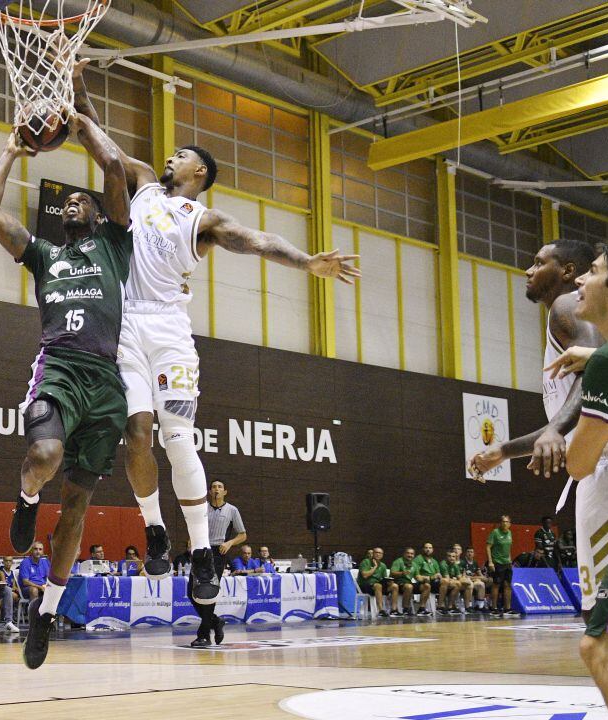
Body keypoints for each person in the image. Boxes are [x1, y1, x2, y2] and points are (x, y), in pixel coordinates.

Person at [71, 58, 359, 601]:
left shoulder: (202, 220)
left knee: (177, 440)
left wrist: (306, 262)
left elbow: (258, 240)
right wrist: (78, 83)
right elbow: (95, 135)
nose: (169, 156)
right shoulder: (141, 187)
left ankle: (202, 551)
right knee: (134, 433)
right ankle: (155, 528)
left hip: (170, 331)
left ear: (197, 173)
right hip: (125, 326)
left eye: (180, 154)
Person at [0, 113, 133, 670]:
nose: (71, 202)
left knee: (78, 506)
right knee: (45, 454)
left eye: (81, 201)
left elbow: (114, 165)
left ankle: (44, 612)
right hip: (62, 367)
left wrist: (82, 121)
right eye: (64, 201)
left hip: (107, 381)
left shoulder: (115, 245)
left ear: (98, 214)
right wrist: (10, 152)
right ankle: (25, 501)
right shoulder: (46, 255)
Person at [470, 241, 600, 508]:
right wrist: (503, 452)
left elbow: (594, 369)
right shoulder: (564, 317)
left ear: (568, 271)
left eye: (540, 263)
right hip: (595, 465)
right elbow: (568, 424)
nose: (529, 271)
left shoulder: (565, 305)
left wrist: (554, 429)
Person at [560, 247, 608, 709]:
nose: (580, 281)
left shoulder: (605, 365)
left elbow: (579, 464)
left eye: (593, 273)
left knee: (597, 646)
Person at [192, 479, 247, 645]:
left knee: (209, 592)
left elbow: (243, 534)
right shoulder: (203, 508)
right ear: (209, 491)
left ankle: (204, 635)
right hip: (200, 550)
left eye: (220, 487)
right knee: (191, 592)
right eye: (214, 487)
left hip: (217, 553)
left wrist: (229, 543)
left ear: (225, 492)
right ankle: (216, 621)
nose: (216, 489)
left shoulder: (232, 510)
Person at [486, 515, 519, 616]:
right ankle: (494, 608)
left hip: (507, 563)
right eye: (503, 521)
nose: (505, 523)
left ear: (510, 524)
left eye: (507, 522)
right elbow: (488, 547)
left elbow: (508, 548)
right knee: (496, 584)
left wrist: (510, 561)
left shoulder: (509, 533)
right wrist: (490, 562)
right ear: (500, 523)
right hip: (497, 562)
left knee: (507, 585)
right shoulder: (495, 532)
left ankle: (507, 608)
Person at [358, 547, 398, 618]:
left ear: (382, 555)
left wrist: (389, 582)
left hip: (378, 587)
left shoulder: (383, 565)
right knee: (378, 585)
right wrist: (375, 567)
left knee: (394, 586)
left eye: (380, 553)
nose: (378, 554)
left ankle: (394, 610)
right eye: (376, 552)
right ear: (373, 554)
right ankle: (381, 610)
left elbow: (384, 578)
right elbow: (365, 575)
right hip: (366, 586)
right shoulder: (366, 562)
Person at [412, 542, 448, 616]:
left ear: (432, 550)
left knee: (445, 581)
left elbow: (438, 574)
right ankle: (421, 609)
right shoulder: (418, 559)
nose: (428, 549)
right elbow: (417, 576)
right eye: (426, 548)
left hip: (433, 582)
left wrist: (438, 577)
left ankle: (440, 606)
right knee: (427, 585)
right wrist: (431, 577)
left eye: (430, 548)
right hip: (423, 582)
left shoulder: (434, 561)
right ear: (423, 549)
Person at [389, 548, 420, 616]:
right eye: (408, 553)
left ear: (414, 555)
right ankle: (404, 608)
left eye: (412, 554)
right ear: (404, 554)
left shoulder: (414, 564)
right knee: (409, 586)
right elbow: (392, 573)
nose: (410, 555)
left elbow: (417, 577)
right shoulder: (398, 561)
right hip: (397, 583)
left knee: (426, 586)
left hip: (408, 584)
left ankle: (422, 609)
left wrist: (426, 578)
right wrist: (402, 573)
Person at [458, 546, 488, 612]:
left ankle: (480, 606)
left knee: (481, 584)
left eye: (471, 552)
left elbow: (481, 575)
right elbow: (464, 577)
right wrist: (477, 578)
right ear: (465, 553)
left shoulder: (475, 563)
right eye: (468, 552)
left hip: (473, 580)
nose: (470, 553)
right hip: (465, 582)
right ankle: (469, 605)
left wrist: (481, 578)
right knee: (470, 583)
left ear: (474, 554)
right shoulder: (462, 562)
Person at [439, 549, 463, 615]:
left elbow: (460, 578)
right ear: (446, 557)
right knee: (456, 583)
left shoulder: (455, 565)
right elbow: (447, 578)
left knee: (460, 584)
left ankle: (450, 607)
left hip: (450, 583)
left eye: (453, 556)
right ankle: (440, 606)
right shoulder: (443, 564)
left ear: (456, 557)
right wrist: (456, 580)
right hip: (440, 584)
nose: (451, 558)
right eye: (449, 556)